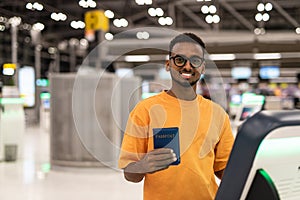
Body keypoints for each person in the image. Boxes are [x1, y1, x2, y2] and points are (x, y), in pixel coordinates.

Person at [118, 32, 234, 200]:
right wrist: (143, 165)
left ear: (202, 67)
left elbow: (224, 170)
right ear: (168, 64)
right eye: (180, 60)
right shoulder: (145, 110)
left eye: (195, 61)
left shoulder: (218, 114)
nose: (187, 67)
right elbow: (130, 174)